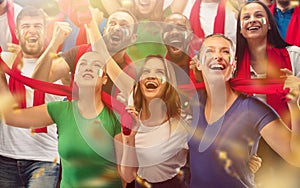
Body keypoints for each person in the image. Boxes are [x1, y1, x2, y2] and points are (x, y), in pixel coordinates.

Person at [188, 33, 300, 188]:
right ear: (199, 64)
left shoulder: (252, 110)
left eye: (225, 51)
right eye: (210, 51)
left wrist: (294, 105)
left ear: (233, 66)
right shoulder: (192, 104)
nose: (218, 56)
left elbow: (296, 157)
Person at [0, 51, 123, 188]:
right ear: (75, 76)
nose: (88, 67)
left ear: (104, 78)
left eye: (96, 65)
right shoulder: (61, 110)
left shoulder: (117, 117)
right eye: (82, 64)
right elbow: (11, 117)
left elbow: (125, 175)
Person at [235, 1, 300, 186]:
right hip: (251, 150)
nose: (252, 20)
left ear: (270, 24)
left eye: (258, 15)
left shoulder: (294, 56)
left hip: (291, 140)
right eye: (246, 17)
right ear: (240, 29)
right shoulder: (233, 67)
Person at [0, 6, 64, 188]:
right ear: (17, 33)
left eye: (38, 26)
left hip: (43, 159)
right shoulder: (5, 61)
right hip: (6, 158)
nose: (32, 30)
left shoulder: (59, 64)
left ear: (46, 32)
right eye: (26, 26)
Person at [32, 9, 138, 97]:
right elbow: (37, 82)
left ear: (133, 38)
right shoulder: (80, 52)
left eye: (124, 25)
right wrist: (54, 43)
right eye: (112, 23)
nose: (116, 28)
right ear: (105, 30)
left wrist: (92, 25)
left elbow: (134, 95)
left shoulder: (132, 72)